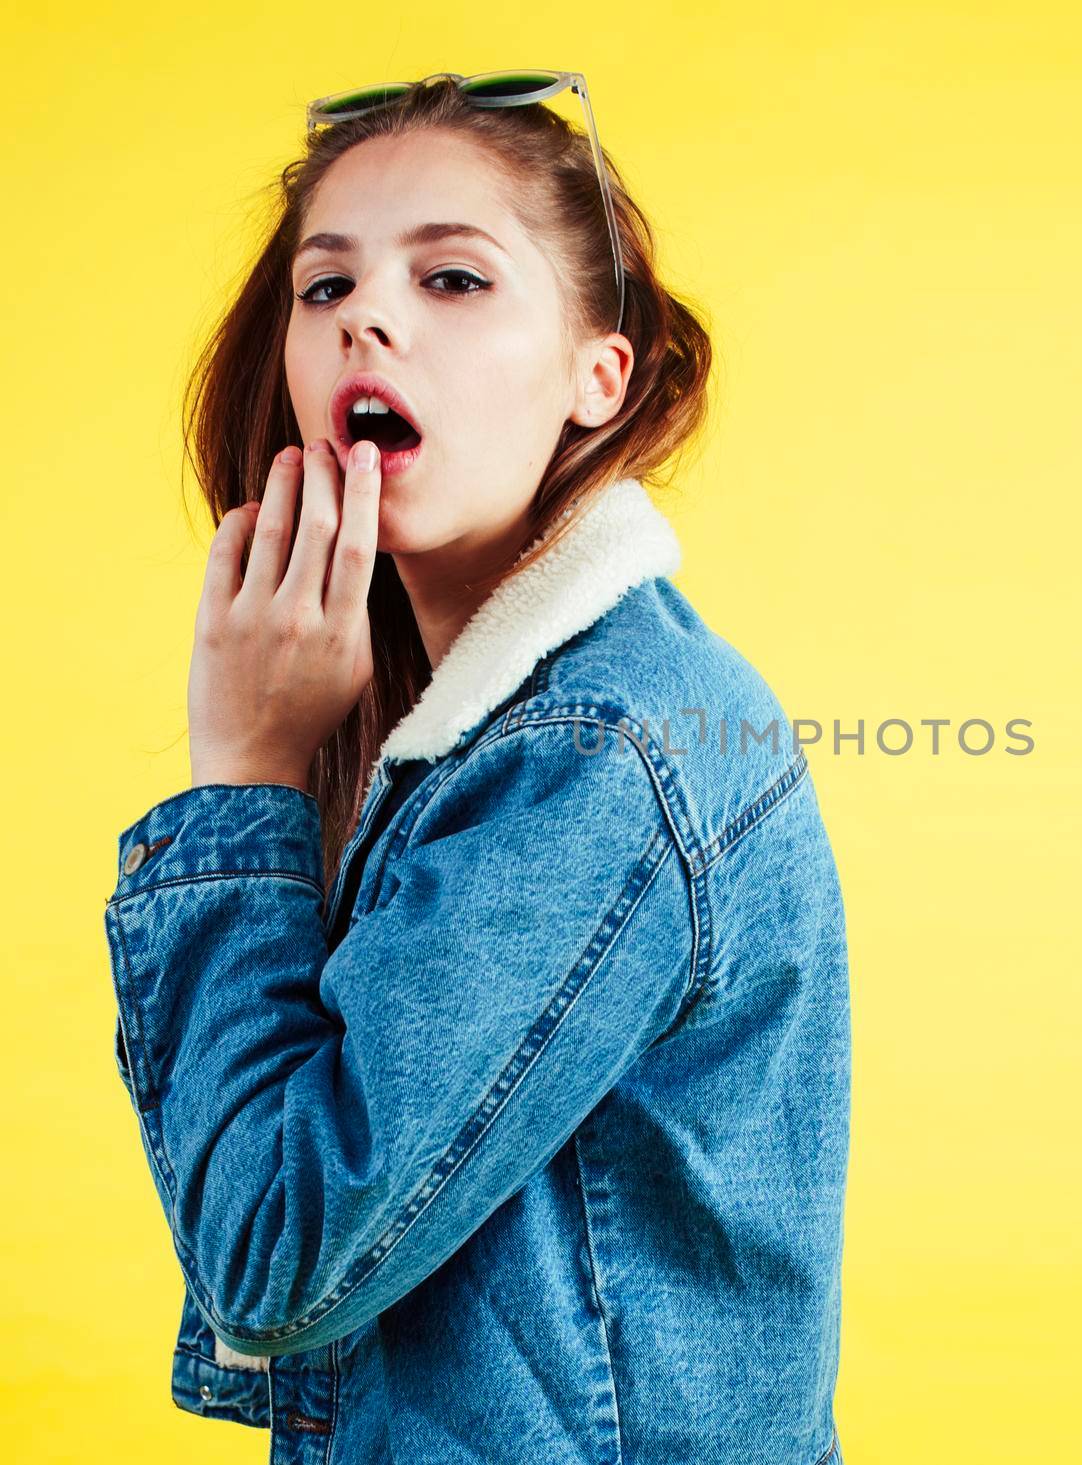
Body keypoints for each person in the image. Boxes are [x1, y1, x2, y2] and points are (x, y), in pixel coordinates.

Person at [102, 71, 849, 1464]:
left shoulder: (596, 754)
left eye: (453, 278)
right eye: (325, 291)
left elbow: (279, 1256)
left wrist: (243, 783)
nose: (366, 318)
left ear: (596, 374)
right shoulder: (473, 725)